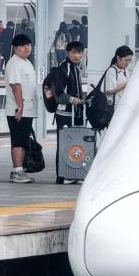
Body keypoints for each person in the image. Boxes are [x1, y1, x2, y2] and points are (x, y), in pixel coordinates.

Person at [47, 41, 85, 184]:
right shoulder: (63, 69)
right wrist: (72, 100)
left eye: (79, 52)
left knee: (73, 143)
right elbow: (59, 93)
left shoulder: (76, 68)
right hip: (64, 113)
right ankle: (62, 175)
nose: (77, 55)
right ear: (67, 53)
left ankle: (72, 173)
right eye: (73, 52)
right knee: (64, 143)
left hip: (75, 113)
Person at [4, 34, 37, 184]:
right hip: (17, 110)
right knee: (17, 140)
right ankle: (17, 171)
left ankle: (20, 170)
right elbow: (15, 86)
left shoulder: (27, 62)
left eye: (28, 45)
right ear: (15, 48)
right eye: (23, 46)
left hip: (27, 109)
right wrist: (20, 106)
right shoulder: (15, 63)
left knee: (23, 140)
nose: (27, 48)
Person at [103, 45, 134, 109]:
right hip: (114, 106)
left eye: (130, 60)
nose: (128, 63)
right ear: (118, 58)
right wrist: (127, 84)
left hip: (123, 105)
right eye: (126, 60)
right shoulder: (111, 70)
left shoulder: (125, 70)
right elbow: (109, 91)